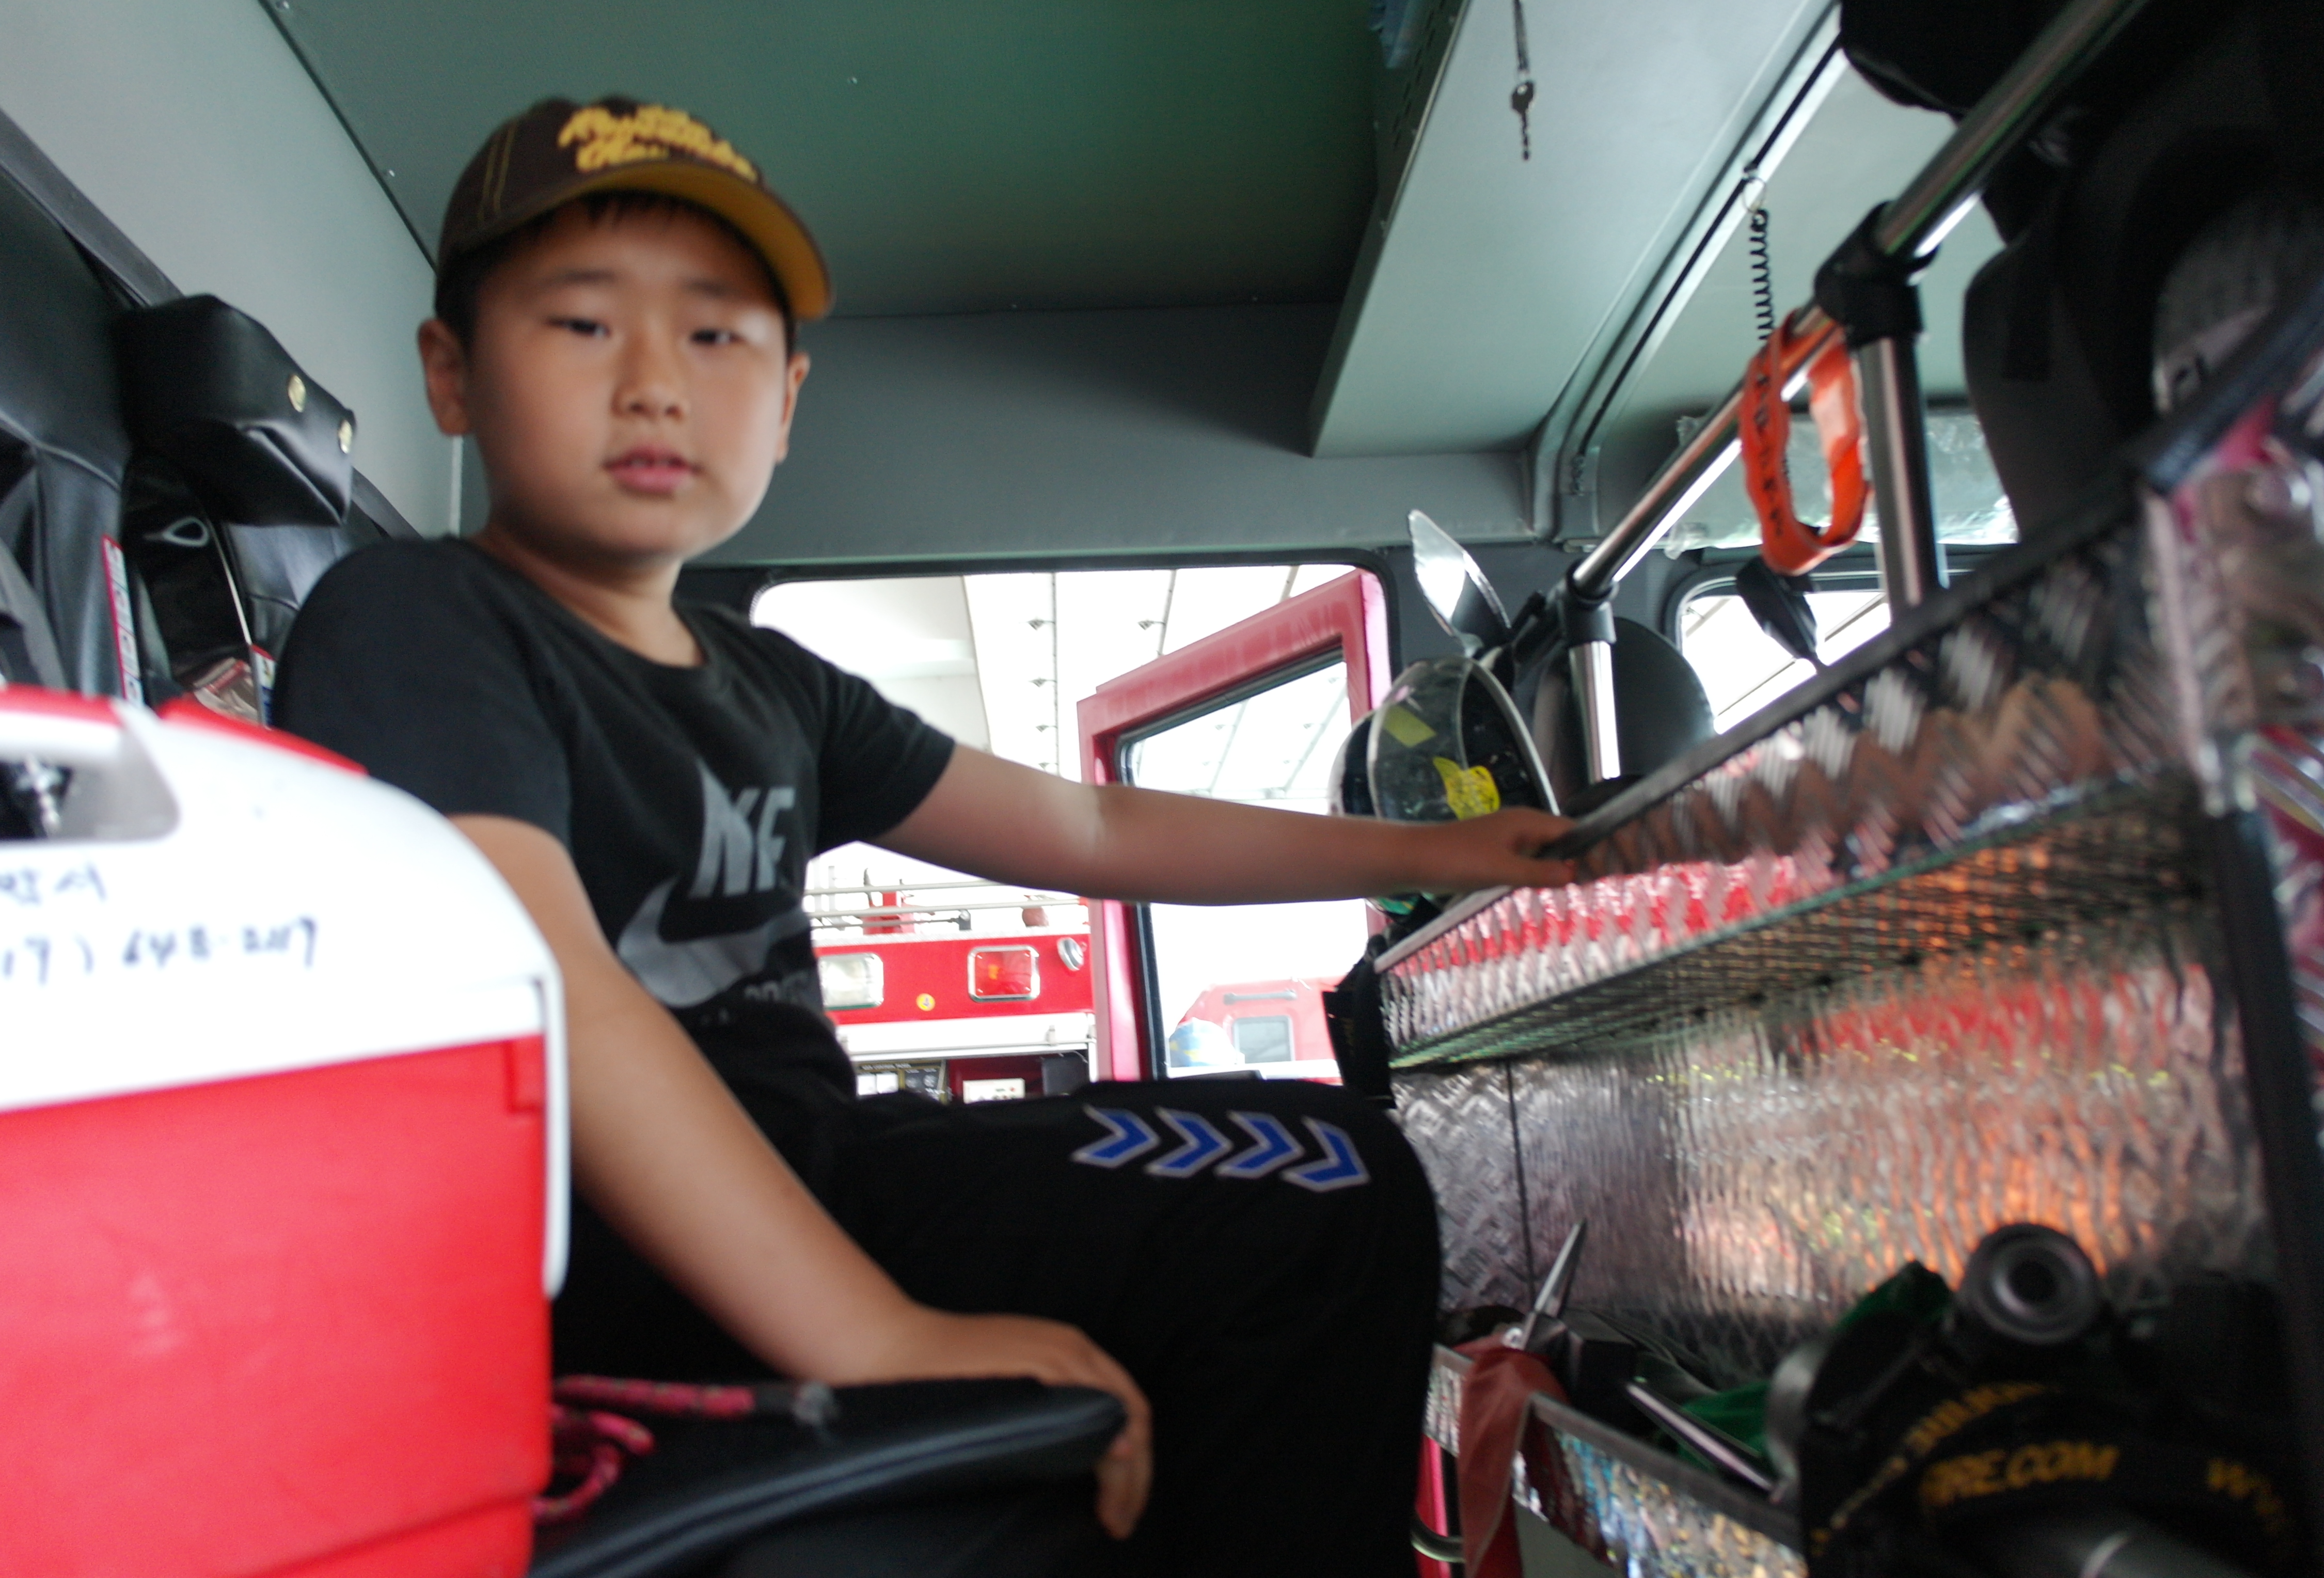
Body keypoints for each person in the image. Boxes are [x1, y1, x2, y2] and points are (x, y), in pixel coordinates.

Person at [273, 97, 1577, 1575]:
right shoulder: (425, 618)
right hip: (591, 1246)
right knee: (1327, 1205)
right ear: (451, 374)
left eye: (715, 336)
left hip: (826, 1169)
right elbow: (549, 981)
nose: (653, 385)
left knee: (1334, 1166)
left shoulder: (773, 685)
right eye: (581, 325)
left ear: (787, 403)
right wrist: (876, 1333)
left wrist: (1452, 857)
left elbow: (1089, 824)